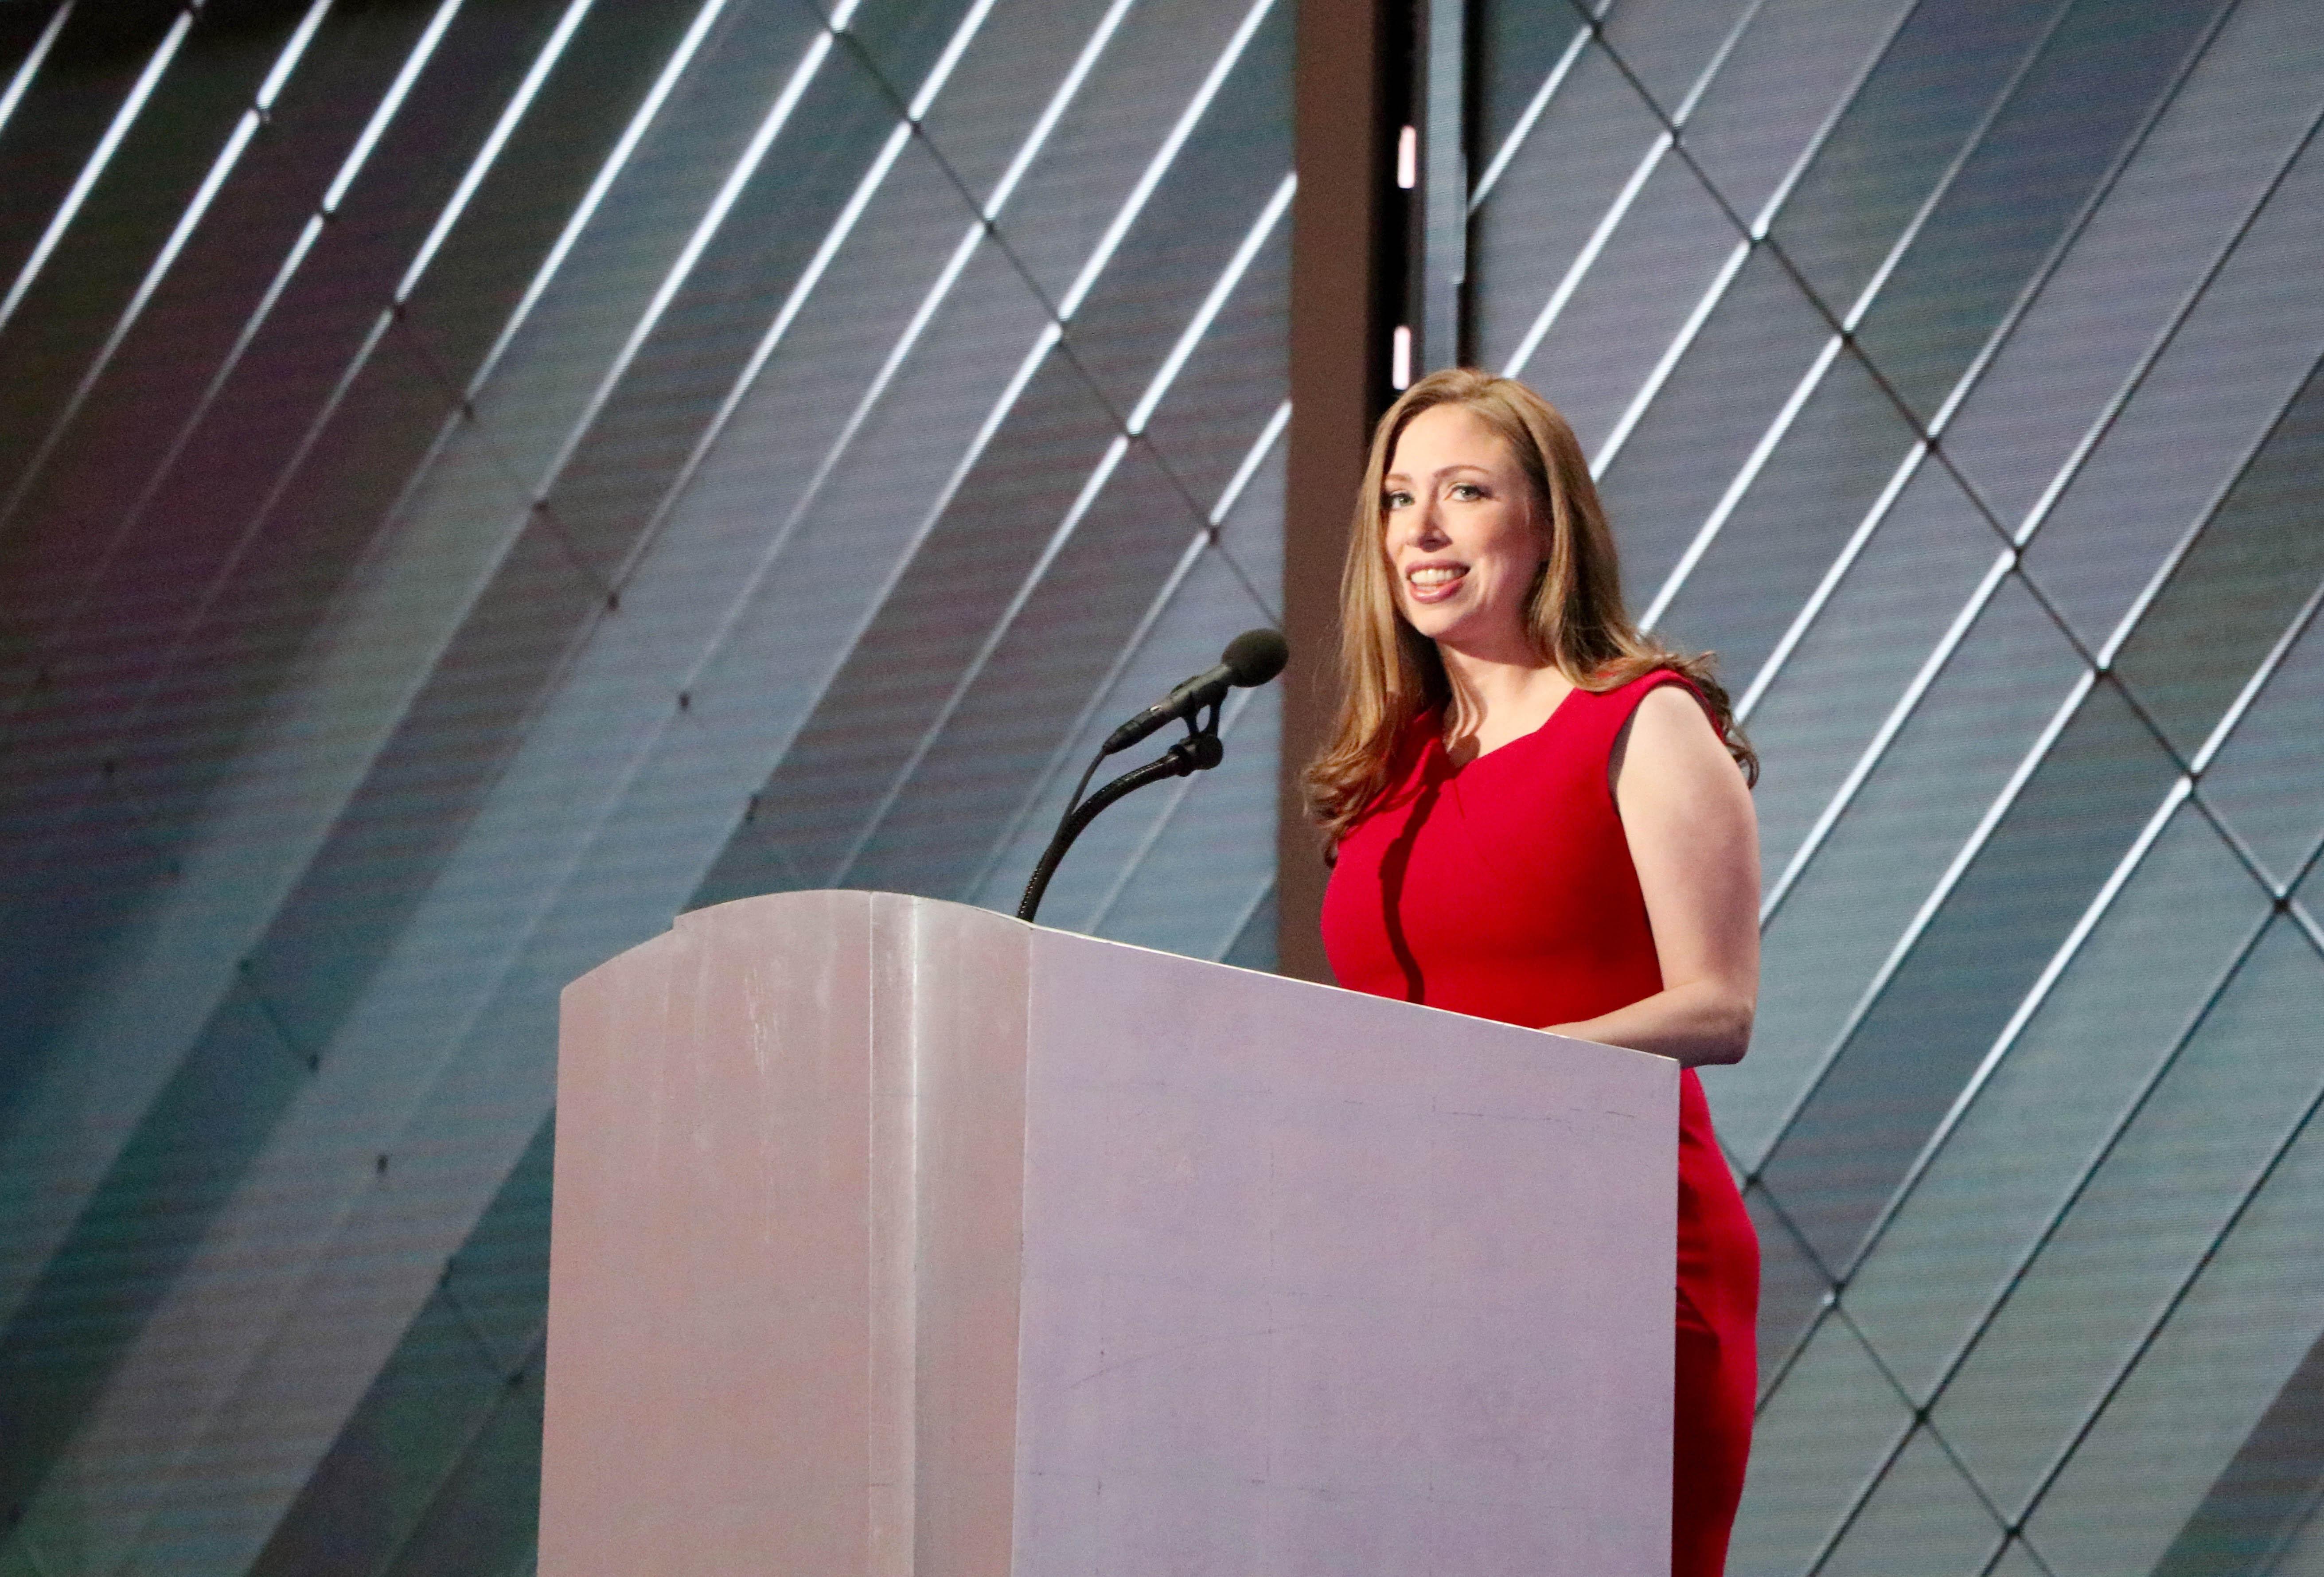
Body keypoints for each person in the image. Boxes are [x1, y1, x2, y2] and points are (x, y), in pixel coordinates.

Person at [1309, 367, 1762, 1577]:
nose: (1423, 530)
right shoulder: (1388, 770)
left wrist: (1483, 1074)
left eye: (1465, 492)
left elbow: (1719, 1004)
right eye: (1399, 499)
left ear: (1547, 526)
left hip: (1610, 1241)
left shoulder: (1640, 720)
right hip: (1412, 1254)